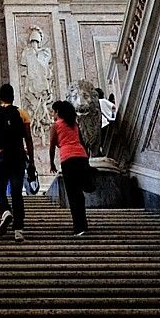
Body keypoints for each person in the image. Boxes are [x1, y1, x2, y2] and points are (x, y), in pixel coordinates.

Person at [0, 83, 35, 241]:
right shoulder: (22, 113)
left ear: (0, 97)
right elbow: (28, 139)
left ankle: (5, 211)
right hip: (18, 156)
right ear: (13, 97)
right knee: (16, 193)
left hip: (1, 156)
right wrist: (32, 161)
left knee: (0, 190)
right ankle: (18, 230)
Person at [50, 98, 94, 237]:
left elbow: (52, 145)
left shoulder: (56, 125)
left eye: (53, 112)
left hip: (68, 159)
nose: (52, 114)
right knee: (79, 194)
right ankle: (84, 224)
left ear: (57, 112)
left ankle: (78, 227)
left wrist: (51, 163)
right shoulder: (74, 124)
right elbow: (82, 141)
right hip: (81, 157)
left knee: (73, 194)